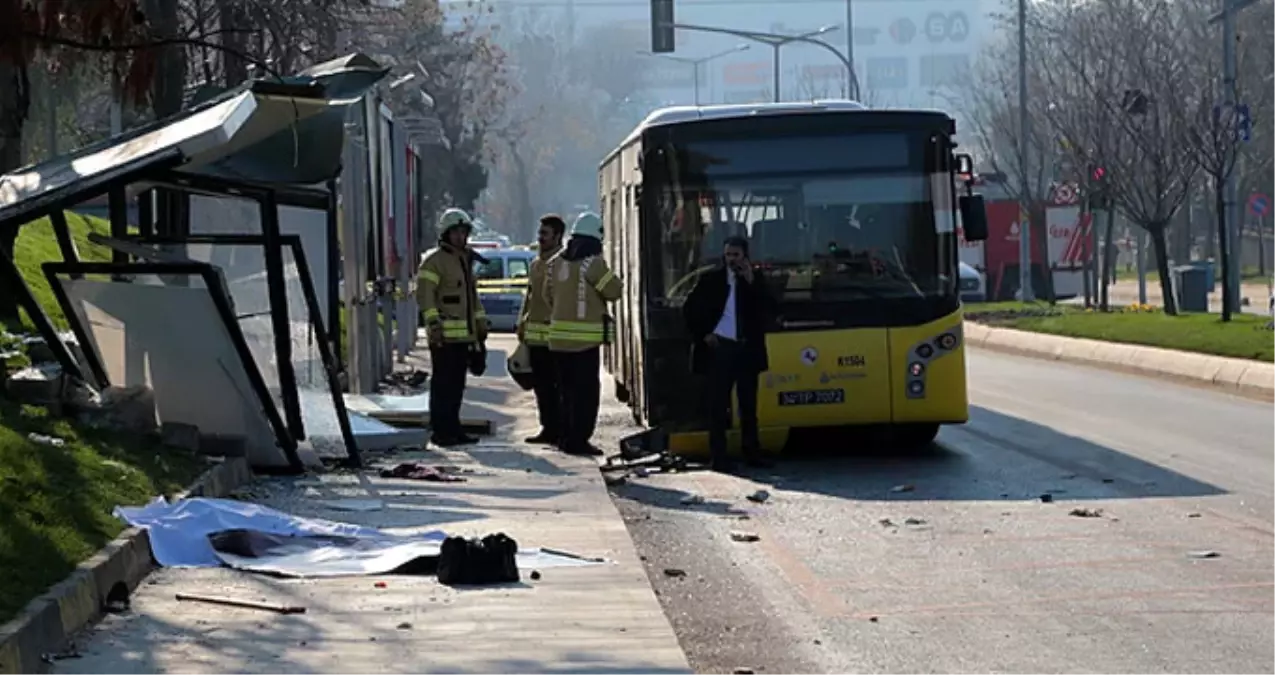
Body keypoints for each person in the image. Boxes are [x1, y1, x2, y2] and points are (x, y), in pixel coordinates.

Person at [683, 236, 774, 471]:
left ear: (745, 256)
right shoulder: (711, 280)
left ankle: (751, 453)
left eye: (736, 255)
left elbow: (769, 309)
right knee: (717, 406)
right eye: (728, 255)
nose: (732, 259)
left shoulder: (754, 281)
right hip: (719, 349)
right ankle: (719, 457)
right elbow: (690, 310)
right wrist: (705, 334)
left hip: (746, 350)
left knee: (748, 406)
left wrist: (752, 281)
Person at [544, 211, 622, 456]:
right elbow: (614, 291)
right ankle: (579, 440)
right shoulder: (593, 263)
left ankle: (565, 437)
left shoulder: (555, 263)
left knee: (565, 393)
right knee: (586, 395)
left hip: (557, 341)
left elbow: (547, 297)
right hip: (584, 344)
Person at [417, 207, 489, 447]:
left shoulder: (464, 260)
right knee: (443, 387)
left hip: (463, 338)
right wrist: (433, 324)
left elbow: (471, 297)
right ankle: (441, 431)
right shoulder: (434, 263)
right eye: (455, 233)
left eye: (463, 232)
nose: (460, 237)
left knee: (457, 386)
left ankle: (454, 428)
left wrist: (479, 325)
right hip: (444, 338)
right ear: (445, 234)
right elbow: (426, 296)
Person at [516, 213, 566, 445]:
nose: (541, 238)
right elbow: (530, 297)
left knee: (558, 389)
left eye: (545, 234)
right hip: (535, 340)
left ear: (558, 237)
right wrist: (522, 323)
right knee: (542, 389)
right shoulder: (536, 265)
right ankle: (548, 428)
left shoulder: (563, 265)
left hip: (555, 340)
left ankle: (560, 429)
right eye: (540, 233)